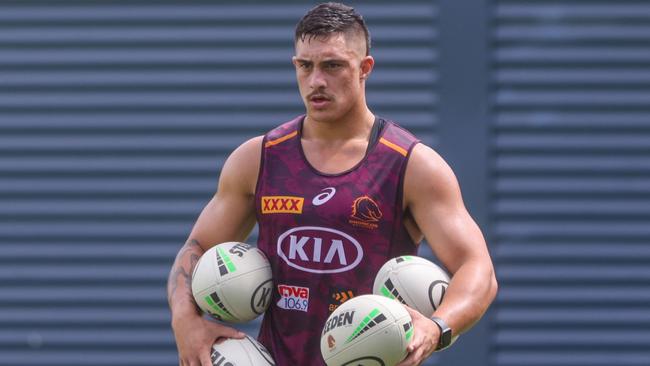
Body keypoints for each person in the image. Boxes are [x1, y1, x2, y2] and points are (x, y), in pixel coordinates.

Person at [167, 2, 498, 365]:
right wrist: (186, 320)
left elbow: (476, 268)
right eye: (304, 66)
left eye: (332, 65)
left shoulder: (410, 165)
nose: (316, 81)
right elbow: (197, 247)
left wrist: (437, 327)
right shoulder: (259, 158)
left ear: (364, 69)